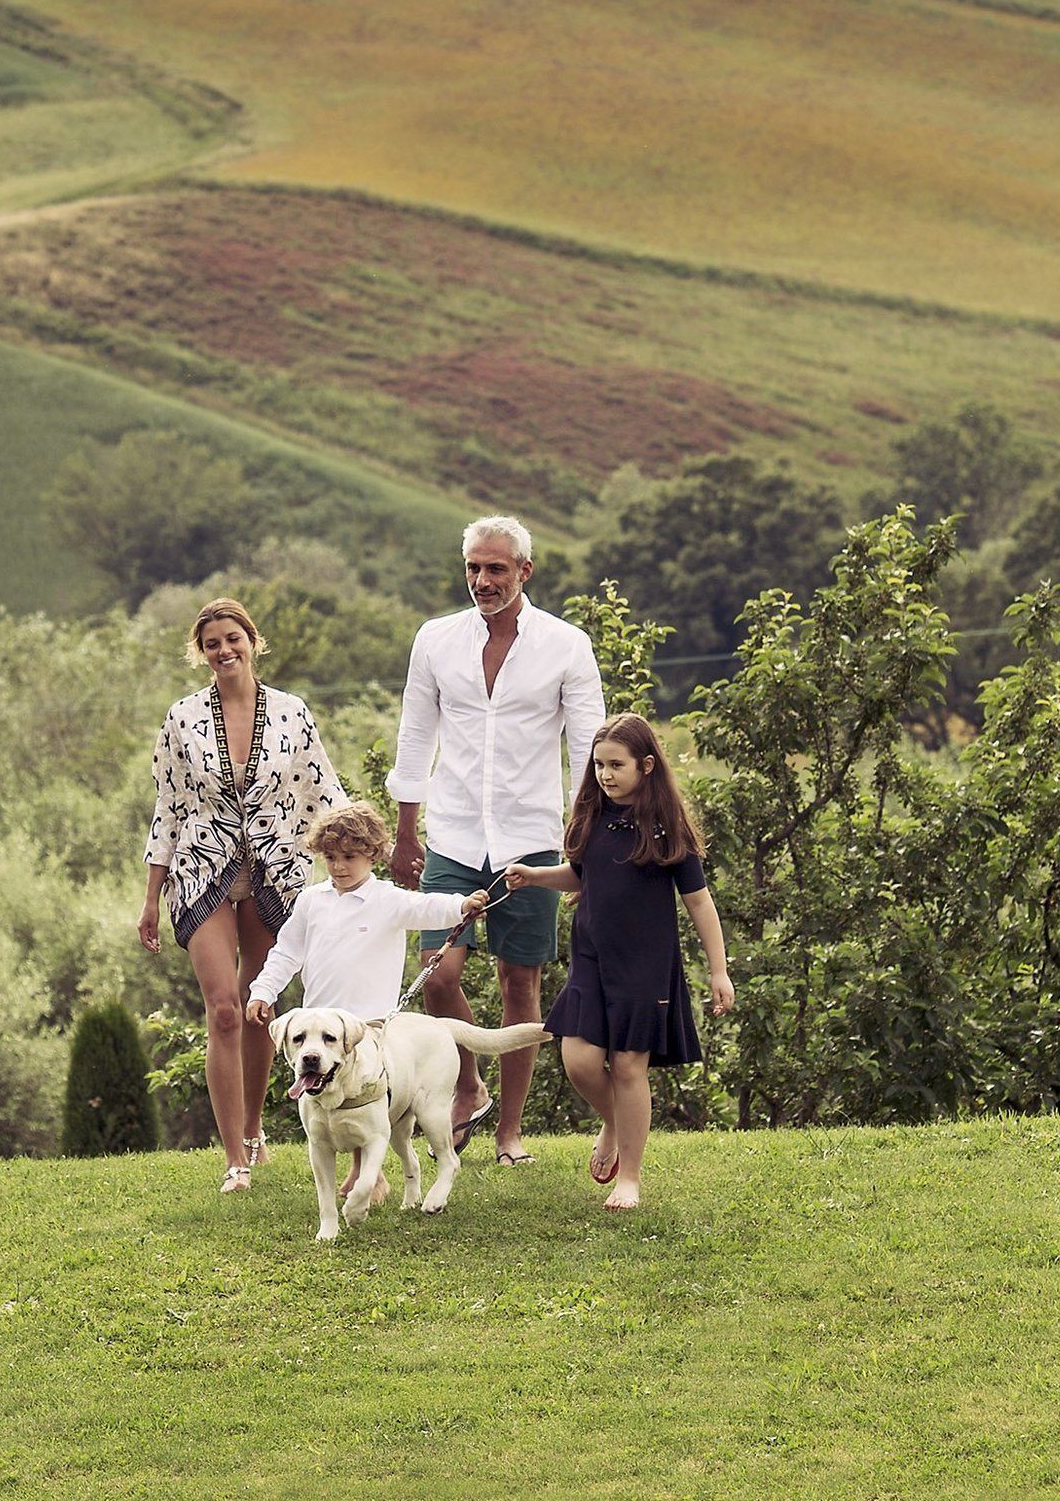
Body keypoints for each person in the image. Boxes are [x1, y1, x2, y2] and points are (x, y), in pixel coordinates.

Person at [388, 514, 606, 1164]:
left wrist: (584, 845)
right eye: (473, 569)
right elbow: (415, 733)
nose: (482, 581)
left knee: (520, 982)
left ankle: (510, 1134)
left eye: (496, 569)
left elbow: (588, 747)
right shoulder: (435, 640)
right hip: (452, 834)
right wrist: (404, 828)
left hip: (532, 837)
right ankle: (468, 1085)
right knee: (436, 974)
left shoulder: (567, 646)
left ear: (524, 572)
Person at [138, 596, 353, 1193]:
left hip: (275, 872)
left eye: (233, 638)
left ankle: (255, 1129)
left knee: (260, 1006)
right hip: (201, 868)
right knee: (224, 1011)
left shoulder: (291, 713)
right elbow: (167, 808)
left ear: (253, 641)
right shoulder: (182, 718)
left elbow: (325, 793)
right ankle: (234, 1157)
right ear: (200, 653)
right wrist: (152, 897)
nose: (224, 650)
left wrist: (357, 864)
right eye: (212, 643)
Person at [503, 713, 730, 1213]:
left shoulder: (668, 828)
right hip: (592, 960)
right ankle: (613, 1121)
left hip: (646, 967)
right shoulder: (592, 817)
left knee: (629, 1067)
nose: (605, 774)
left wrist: (719, 969)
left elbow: (699, 902)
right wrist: (534, 876)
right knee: (579, 1061)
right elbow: (582, 876)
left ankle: (629, 1177)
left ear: (646, 766)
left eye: (616, 765)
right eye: (599, 764)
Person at [245, 800, 511, 1029]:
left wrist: (461, 906)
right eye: (330, 856)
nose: (338, 866)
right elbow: (286, 953)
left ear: (372, 854)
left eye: (349, 857)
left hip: (373, 1028)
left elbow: (426, 907)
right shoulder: (311, 900)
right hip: (321, 1030)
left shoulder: (387, 899)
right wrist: (263, 991)